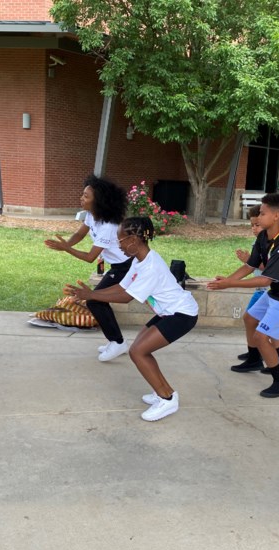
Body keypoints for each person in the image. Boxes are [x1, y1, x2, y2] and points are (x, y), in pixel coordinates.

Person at [63, 217, 199, 422]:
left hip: (182, 315)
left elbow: (126, 298)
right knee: (140, 349)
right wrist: (92, 293)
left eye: (121, 241)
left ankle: (167, 398)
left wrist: (91, 296)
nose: (119, 246)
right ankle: (162, 391)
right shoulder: (139, 260)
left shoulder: (151, 266)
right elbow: (121, 287)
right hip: (168, 313)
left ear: (134, 240)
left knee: (138, 352)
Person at [207, 193, 279, 398]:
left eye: (262, 213)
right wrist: (226, 281)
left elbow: (265, 279)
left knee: (262, 336)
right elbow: (251, 266)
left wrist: (230, 284)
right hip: (277, 292)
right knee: (249, 318)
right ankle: (253, 359)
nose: (258, 218)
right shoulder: (263, 237)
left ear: (276, 216)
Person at [45, 175, 131, 362]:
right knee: (97, 300)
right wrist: (67, 243)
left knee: (95, 300)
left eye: (86, 196)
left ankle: (117, 342)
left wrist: (66, 249)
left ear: (98, 200)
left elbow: (90, 257)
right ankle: (116, 342)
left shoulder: (109, 225)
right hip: (119, 266)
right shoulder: (93, 216)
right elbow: (80, 233)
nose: (81, 198)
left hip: (128, 267)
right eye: (82, 195)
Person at [234, 204, 279, 375]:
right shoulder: (260, 241)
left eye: (257, 224)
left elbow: (270, 269)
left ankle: (277, 362)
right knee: (252, 321)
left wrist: (249, 261)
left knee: (268, 329)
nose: (254, 228)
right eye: (252, 225)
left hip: (270, 291)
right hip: (262, 290)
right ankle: (255, 354)